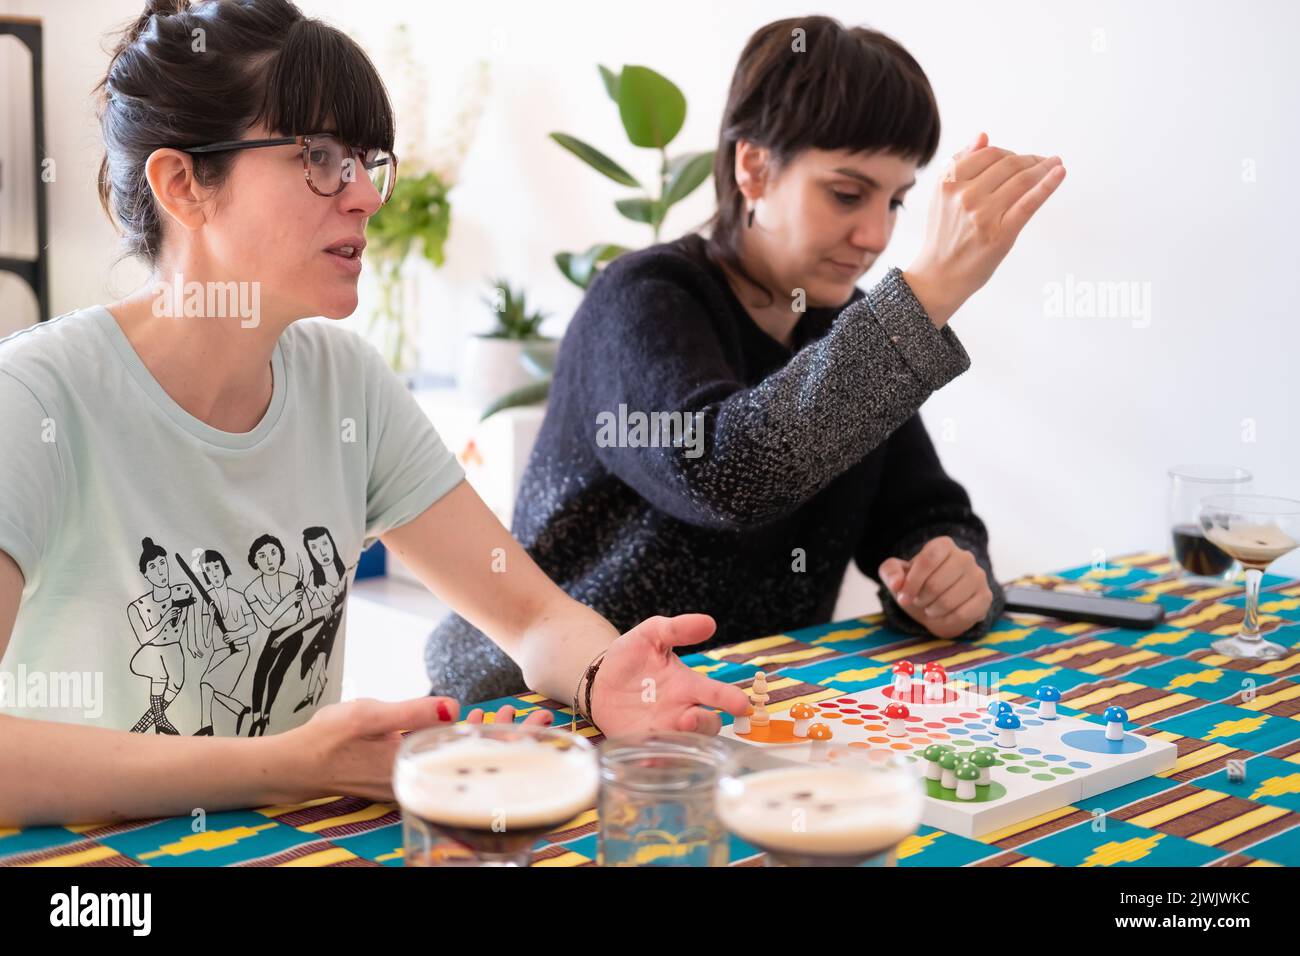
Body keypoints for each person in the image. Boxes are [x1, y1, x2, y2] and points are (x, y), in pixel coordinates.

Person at [0, 0, 747, 828]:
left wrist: (604, 669)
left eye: (364, 159)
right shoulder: (35, 400)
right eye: (319, 157)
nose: (363, 196)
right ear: (183, 185)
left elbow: (528, 612)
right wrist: (283, 765)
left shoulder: (342, 381)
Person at [426, 15, 1066, 702]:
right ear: (753, 168)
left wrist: (950, 571)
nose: (877, 234)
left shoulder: (845, 327)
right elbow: (724, 470)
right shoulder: (642, 300)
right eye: (847, 194)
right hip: (541, 710)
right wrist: (930, 290)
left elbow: (923, 512)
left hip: (733, 714)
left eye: (897, 200)